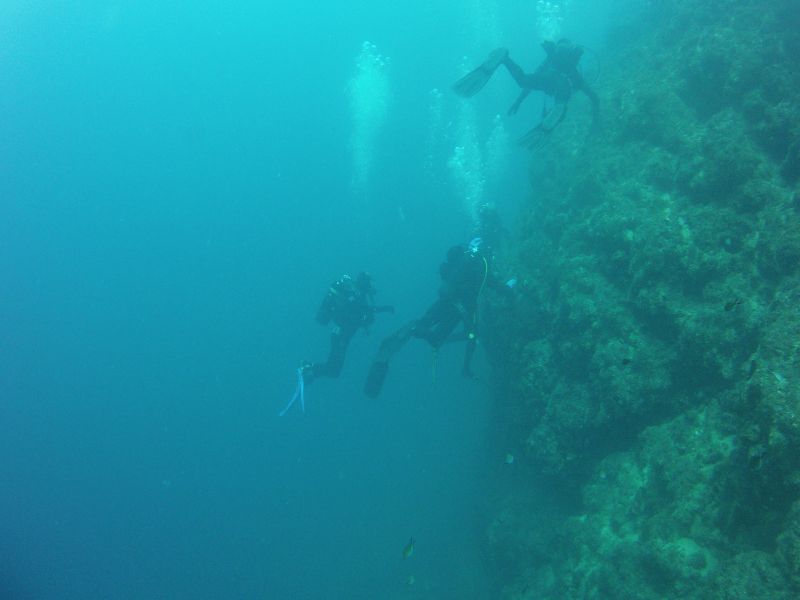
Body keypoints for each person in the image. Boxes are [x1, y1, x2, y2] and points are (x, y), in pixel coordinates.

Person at [364, 238, 513, 398]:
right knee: (461, 336)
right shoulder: (481, 267)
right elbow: (497, 287)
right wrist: (510, 290)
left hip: (444, 301)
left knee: (424, 322)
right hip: (461, 308)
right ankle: (465, 368)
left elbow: (448, 277)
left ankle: (400, 336)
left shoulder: (462, 263)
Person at [453, 39, 599, 148]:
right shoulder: (574, 73)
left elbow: (528, 83)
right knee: (561, 107)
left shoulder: (549, 62)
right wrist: (595, 121)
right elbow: (594, 97)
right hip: (565, 84)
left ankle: (504, 58)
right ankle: (559, 106)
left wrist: (518, 101)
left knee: (522, 81)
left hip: (549, 77)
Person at [302, 271, 393, 383]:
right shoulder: (356, 296)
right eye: (369, 283)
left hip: (341, 336)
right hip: (340, 337)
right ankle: (308, 369)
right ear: (365, 283)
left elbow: (363, 316)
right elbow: (365, 311)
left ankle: (310, 372)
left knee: (334, 370)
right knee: (334, 369)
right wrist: (385, 308)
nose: (371, 286)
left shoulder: (356, 296)